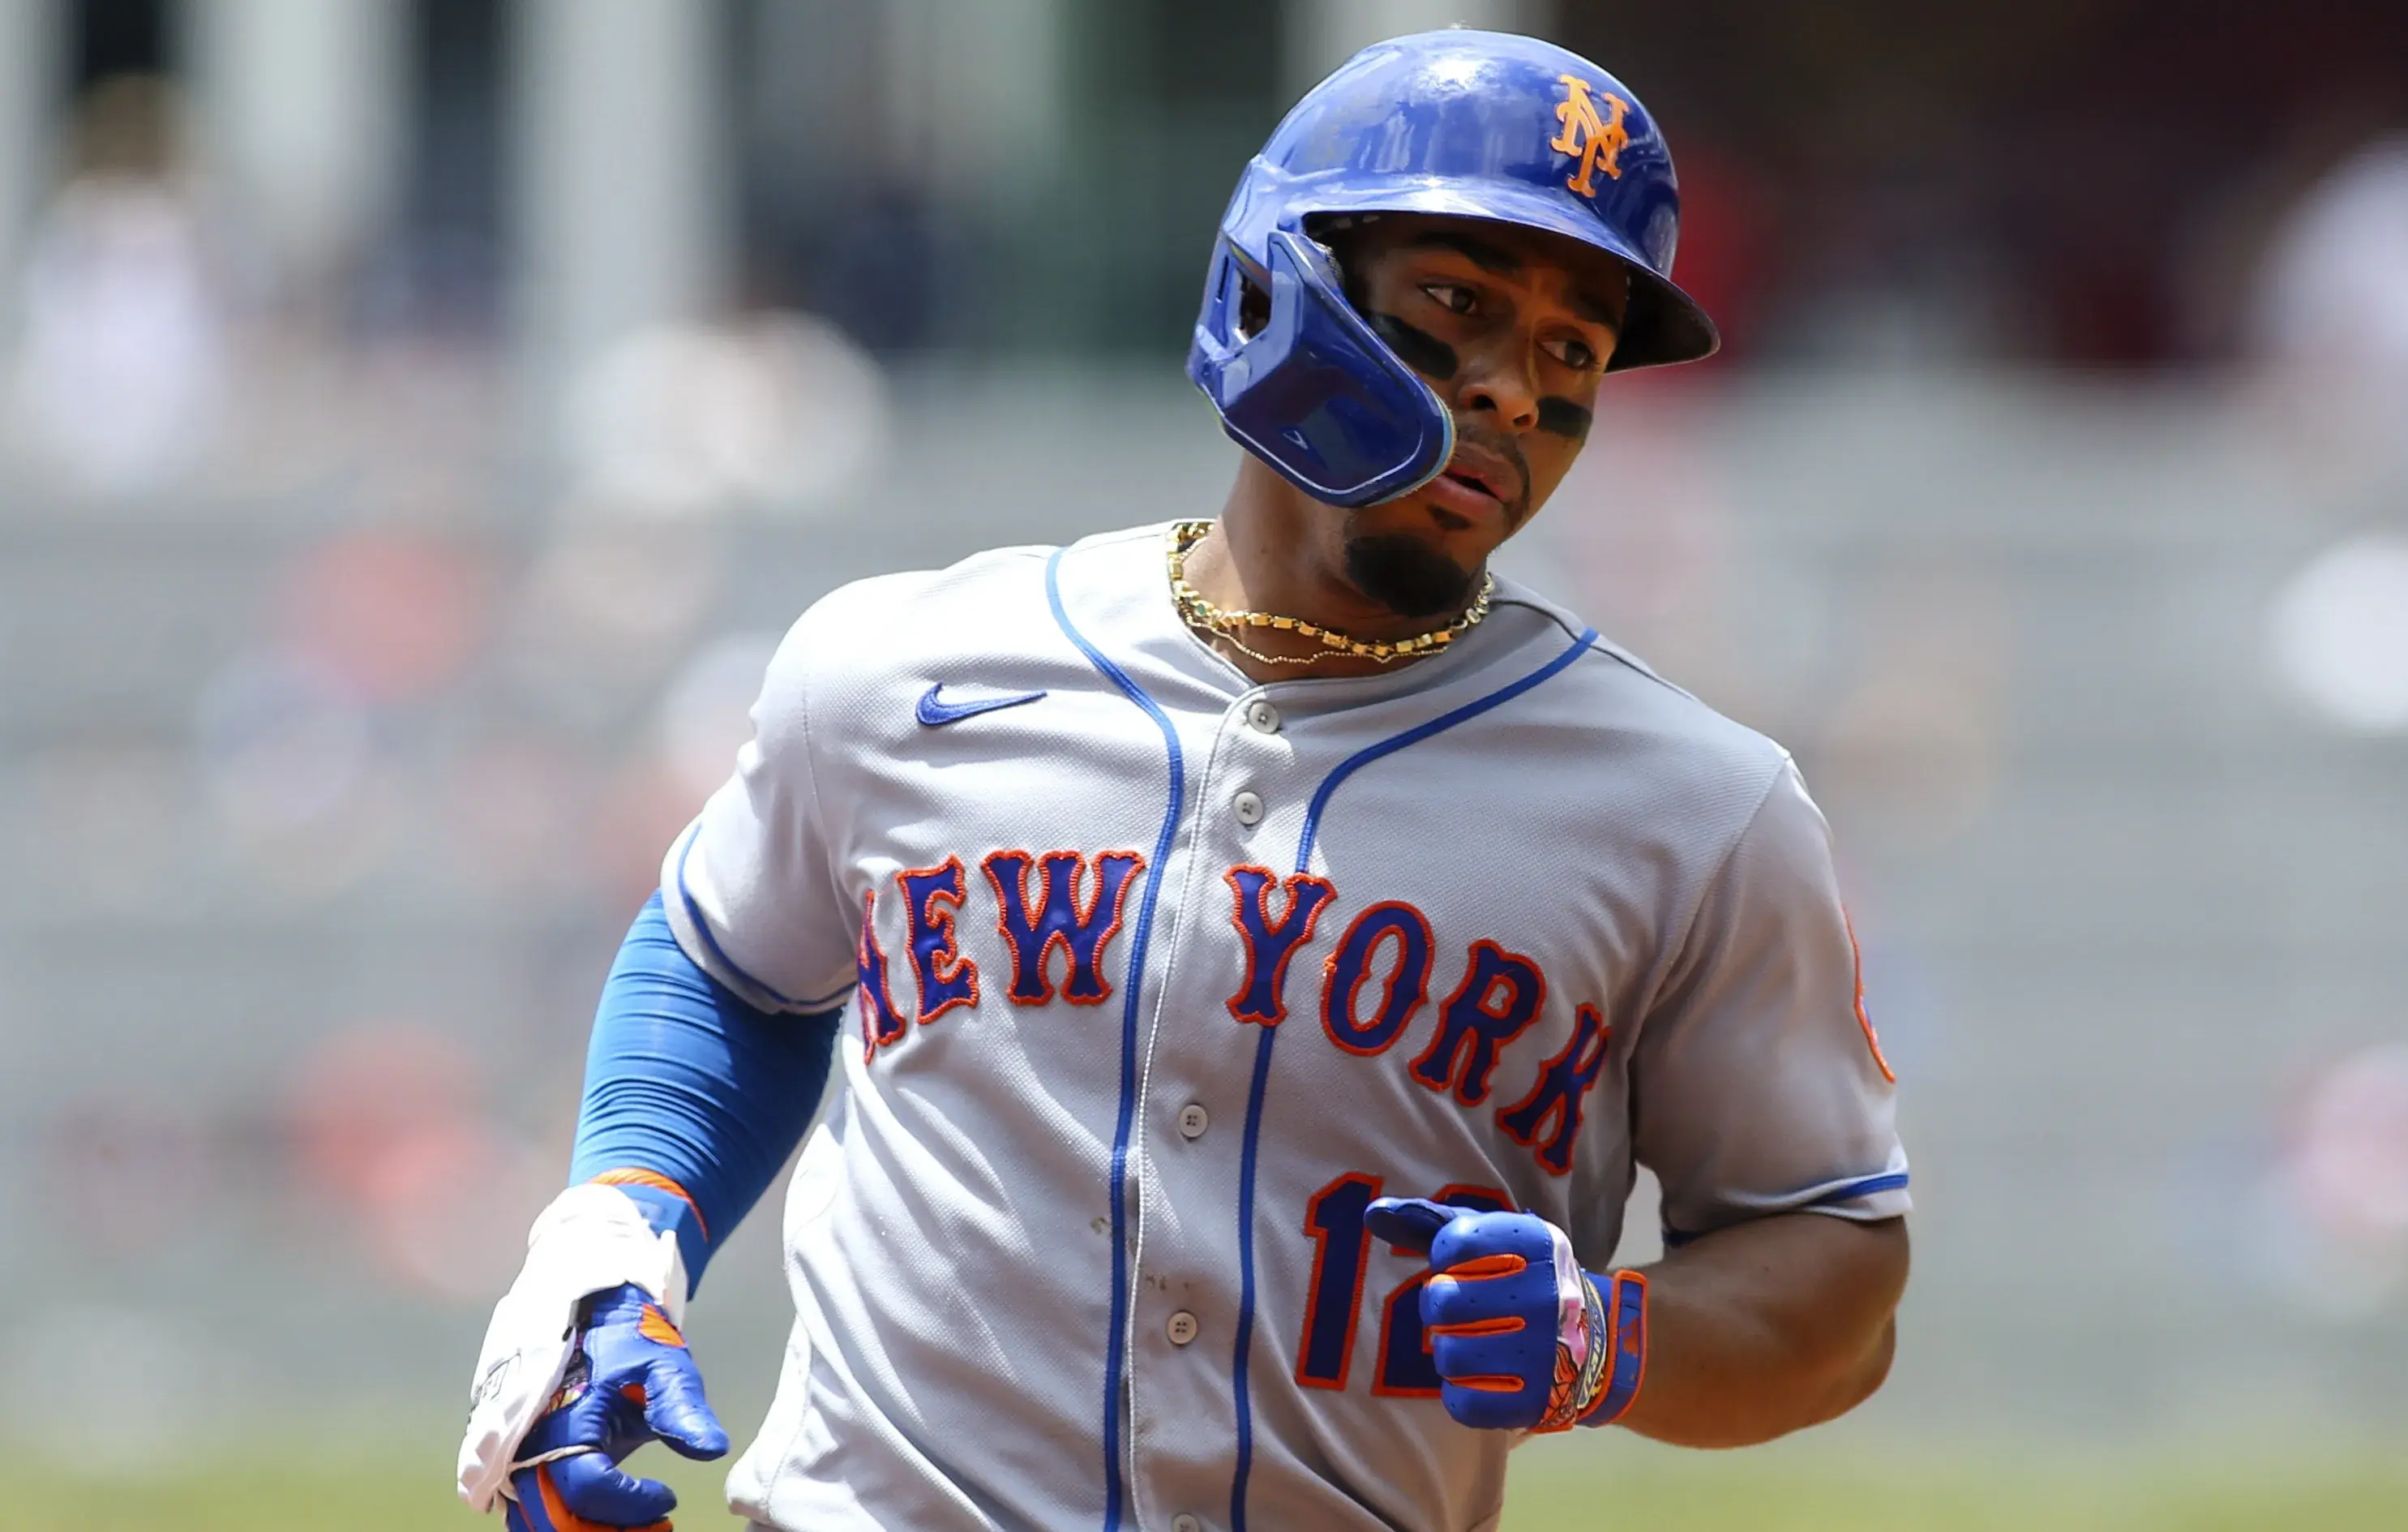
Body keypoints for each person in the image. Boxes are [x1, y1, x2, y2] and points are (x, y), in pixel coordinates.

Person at [458, 30, 1909, 1532]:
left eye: (1571, 350)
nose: (1512, 392)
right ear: (1279, 287)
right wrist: (620, 1230)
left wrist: (1613, 1345)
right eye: (1456, 307)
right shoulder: (901, 667)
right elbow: (731, 966)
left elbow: (1836, 1274)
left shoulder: (1696, 811)